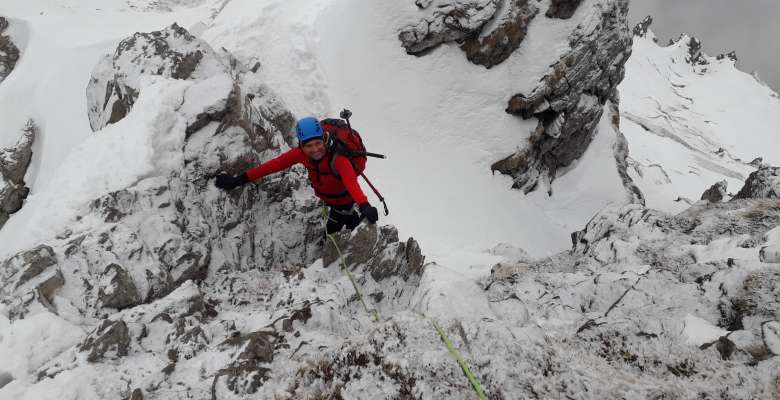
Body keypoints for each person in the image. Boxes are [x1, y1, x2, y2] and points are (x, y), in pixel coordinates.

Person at [214, 116, 379, 235]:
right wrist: (238, 180)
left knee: (329, 235)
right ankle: (352, 219)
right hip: (329, 197)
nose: (315, 150)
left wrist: (364, 205)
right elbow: (273, 166)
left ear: (324, 139)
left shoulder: (339, 159)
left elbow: (351, 183)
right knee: (346, 219)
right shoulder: (300, 154)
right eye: (309, 145)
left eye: (318, 143)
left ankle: (350, 222)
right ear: (301, 145)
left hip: (342, 201)